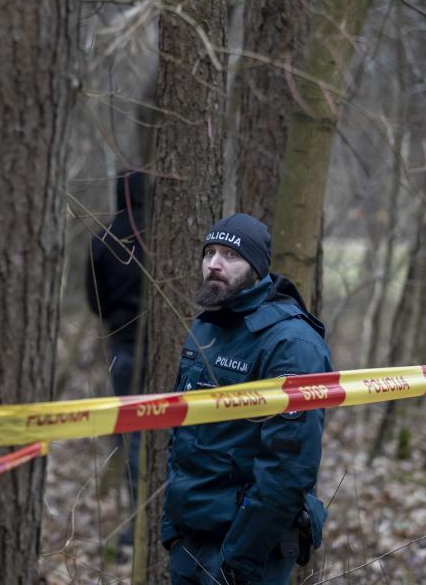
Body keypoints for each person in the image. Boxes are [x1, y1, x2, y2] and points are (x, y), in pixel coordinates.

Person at [160, 213, 330, 584]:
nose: (215, 264)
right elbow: (180, 432)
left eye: (231, 255)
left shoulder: (292, 343)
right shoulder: (206, 326)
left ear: (257, 267)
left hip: (245, 551)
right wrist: (171, 530)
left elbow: (288, 469)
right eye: (209, 253)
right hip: (188, 540)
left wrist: (238, 560)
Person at [85, 170, 147, 528]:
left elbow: (95, 302)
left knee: (133, 437)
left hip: (124, 345)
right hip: (163, 347)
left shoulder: (103, 239)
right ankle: (142, 525)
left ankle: (137, 525)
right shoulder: (165, 235)